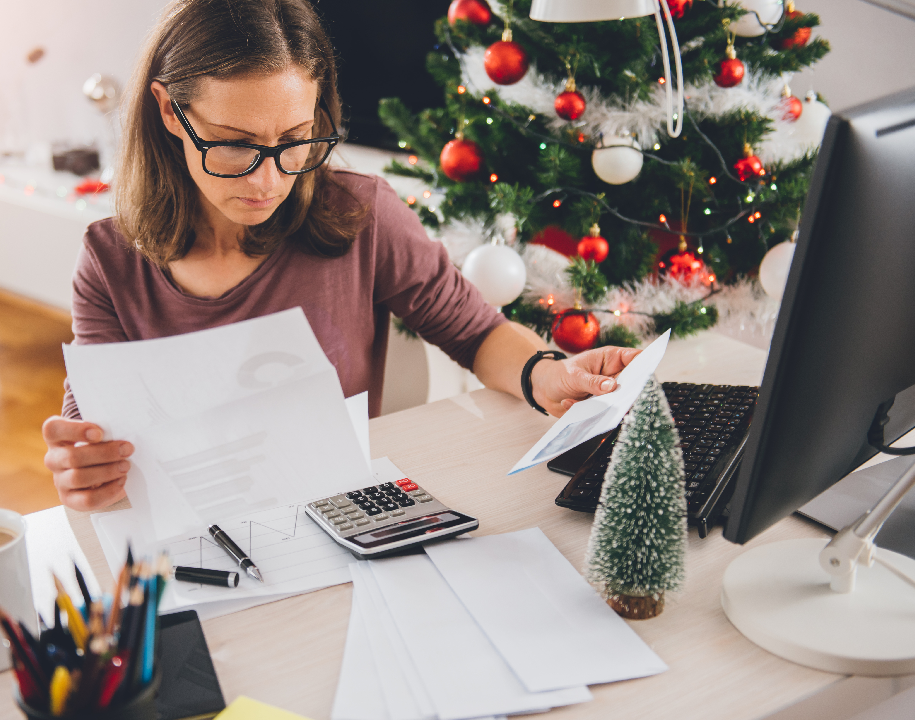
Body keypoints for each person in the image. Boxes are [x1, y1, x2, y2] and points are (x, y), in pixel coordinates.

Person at [43, 0, 639, 511]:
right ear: (171, 112)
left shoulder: (363, 214)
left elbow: (478, 334)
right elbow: (94, 436)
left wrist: (552, 374)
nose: (270, 180)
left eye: (295, 140)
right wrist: (84, 469)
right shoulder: (109, 261)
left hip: (340, 516)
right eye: (236, 145)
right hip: (196, 533)